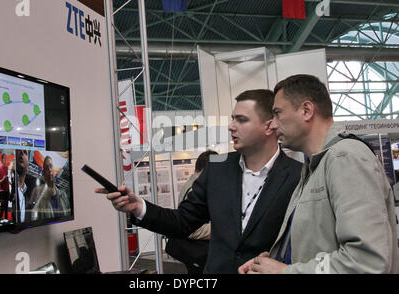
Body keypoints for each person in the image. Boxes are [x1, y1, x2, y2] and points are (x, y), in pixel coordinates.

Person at [96, 89, 302, 274]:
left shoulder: (298, 176)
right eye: (232, 119)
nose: (231, 126)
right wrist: (138, 207)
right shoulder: (217, 169)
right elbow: (182, 222)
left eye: (241, 120)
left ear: (269, 126)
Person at [238, 74, 398, 274]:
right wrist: (272, 262)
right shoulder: (314, 167)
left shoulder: (345, 157)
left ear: (306, 110)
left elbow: (366, 261)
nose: (273, 124)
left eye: (278, 113)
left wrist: (285, 272)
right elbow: (318, 244)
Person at [165, 150, 218, 274]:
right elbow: (191, 228)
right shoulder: (193, 189)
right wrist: (220, 229)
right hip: (197, 252)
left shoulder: (197, 186)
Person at [30, 156, 70, 221]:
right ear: (43, 174)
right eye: (46, 168)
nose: (49, 169)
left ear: (54, 171)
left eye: (51, 166)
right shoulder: (39, 200)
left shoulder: (63, 195)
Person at [12, 149, 36, 223]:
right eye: (19, 150)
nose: (22, 153)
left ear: (28, 165)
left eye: (25, 152)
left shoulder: (28, 193)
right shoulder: (12, 184)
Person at [0, 154, 10, 219]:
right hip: (2, 191)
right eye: (4, 158)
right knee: (2, 208)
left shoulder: (6, 168)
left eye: (6, 158)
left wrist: (9, 190)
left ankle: (6, 220)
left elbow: (7, 180)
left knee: (6, 208)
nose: (5, 160)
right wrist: (3, 179)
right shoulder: (0, 169)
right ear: (2, 159)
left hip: (7, 190)